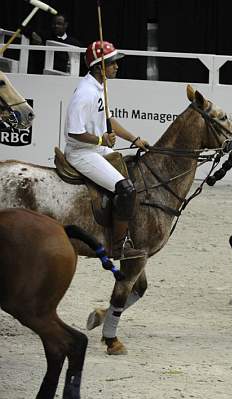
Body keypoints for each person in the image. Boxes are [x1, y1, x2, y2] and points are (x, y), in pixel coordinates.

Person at [64, 40, 149, 260]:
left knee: (133, 176)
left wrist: (134, 138)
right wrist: (101, 139)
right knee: (126, 189)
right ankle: (119, 248)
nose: (116, 66)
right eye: (112, 63)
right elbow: (73, 132)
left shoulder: (99, 87)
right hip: (82, 153)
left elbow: (108, 120)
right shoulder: (85, 93)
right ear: (97, 66)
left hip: (96, 150)